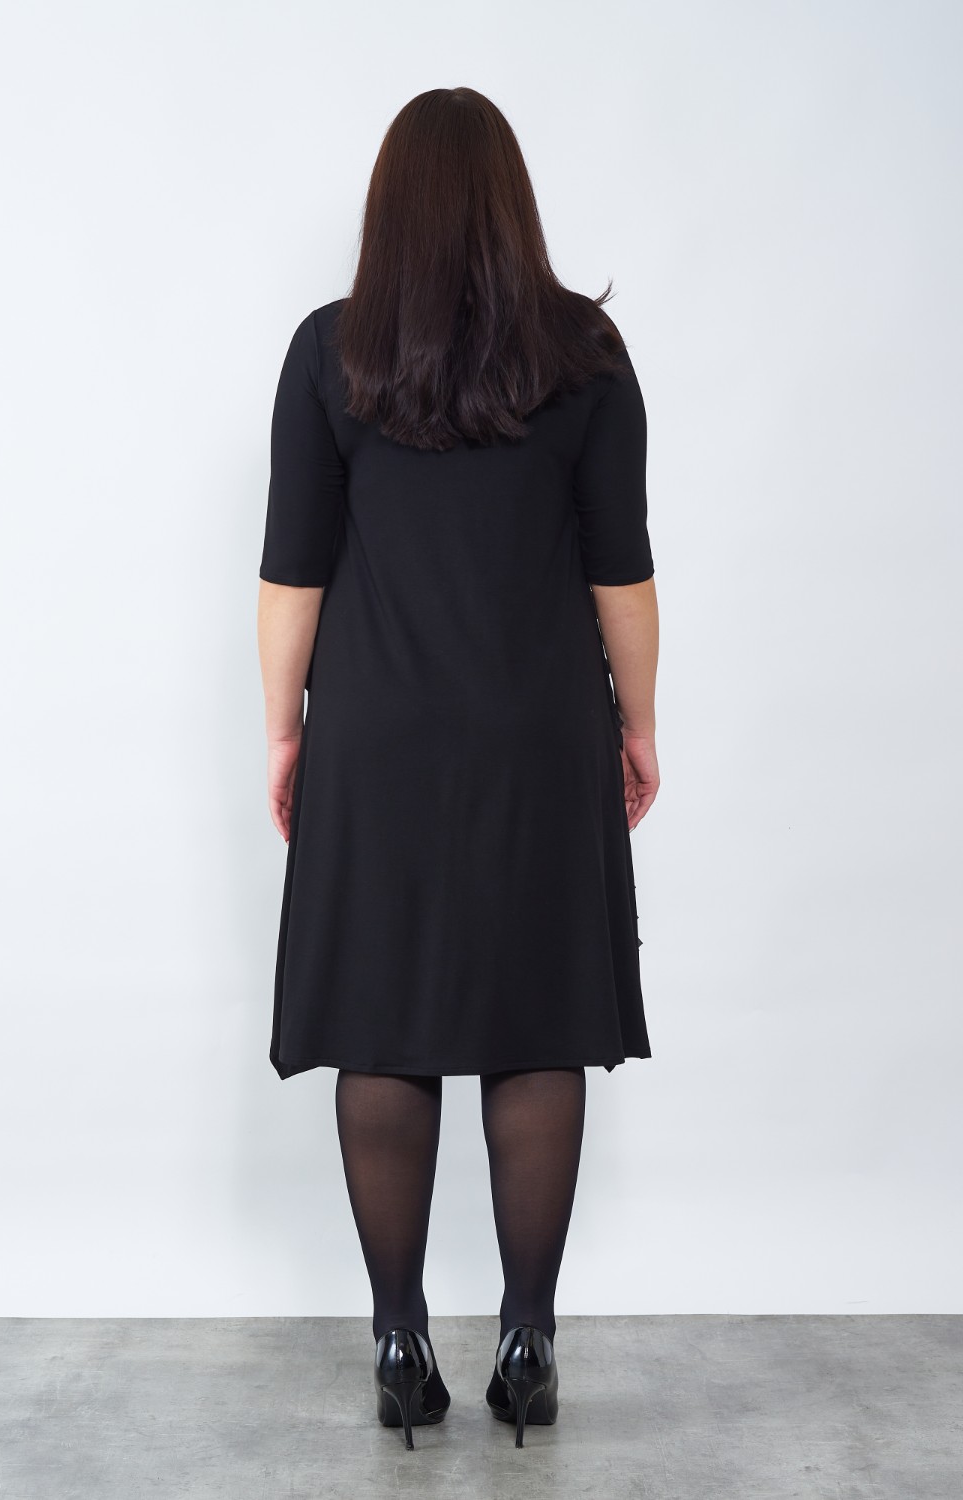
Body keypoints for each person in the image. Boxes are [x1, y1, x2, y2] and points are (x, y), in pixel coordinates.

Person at [255, 87, 660, 1451]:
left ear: (391, 207)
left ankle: (396, 1334)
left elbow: (292, 576)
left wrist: (285, 732)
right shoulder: (585, 353)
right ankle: (528, 1337)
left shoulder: (332, 353)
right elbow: (622, 573)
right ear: (510, 206)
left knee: (384, 1022)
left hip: (377, 735)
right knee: (537, 1025)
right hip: (540, 734)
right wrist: (639, 724)